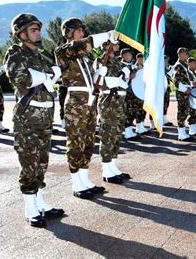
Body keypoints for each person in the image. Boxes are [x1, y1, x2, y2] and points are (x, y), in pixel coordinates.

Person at [5, 13, 64, 227]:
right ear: (21, 34)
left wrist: (51, 73)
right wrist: (47, 76)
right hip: (28, 118)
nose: (38, 32)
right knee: (29, 163)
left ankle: (40, 202)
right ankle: (30, 208)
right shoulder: (16, 53)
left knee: (41, 162)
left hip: (45, 116)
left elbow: (56, 72)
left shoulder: (41, 56)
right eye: (33, 30)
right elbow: (21, 78)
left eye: (38, 29)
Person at [55, 17, 114, 199]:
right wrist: (107, 36)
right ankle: (76, 183)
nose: (82, 33)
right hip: (75, 104)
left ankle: (85, 179)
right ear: (69, 33)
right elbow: (85, 44)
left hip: (89, 103)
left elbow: (92, 82)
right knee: (75, 143)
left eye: (82, 30)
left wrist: (99, 74)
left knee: (88, 142)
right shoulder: (64, 51)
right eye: (79, 30)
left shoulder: (84, 58)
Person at [94, 41, 131, 184]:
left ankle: (113, 167)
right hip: (109, 102)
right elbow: (106, 81)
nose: (117, 46)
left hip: (120, 102)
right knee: (108, 135)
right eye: (114, 44)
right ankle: (106, 169)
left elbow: (125, 80)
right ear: (106, 46)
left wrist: (126, 76)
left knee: (116, 135)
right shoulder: (101, 60)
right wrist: (121, 77)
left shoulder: (116, 61)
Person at [173, 47, 193, 141]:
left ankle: (183, 132)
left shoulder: (183, 65)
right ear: (180, 54)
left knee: (185, 112)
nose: (187, 55)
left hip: (186, 92)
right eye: (185, 54)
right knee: (182, 112)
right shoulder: (178, 66)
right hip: (182, 93)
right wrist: (185, 90)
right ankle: (181, 134)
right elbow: (176, 81)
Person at [121, 48, 140, 141]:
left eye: (130, 54)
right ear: (123, 56)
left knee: (132, 112)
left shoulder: (130, 65)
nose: (129, 56)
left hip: (132, 93)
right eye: (127, 55)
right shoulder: (122, 66)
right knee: (127, 112)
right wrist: (135, 71)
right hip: (125, 93)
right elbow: (130, 77)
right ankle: (127, 133)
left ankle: (129, 131)